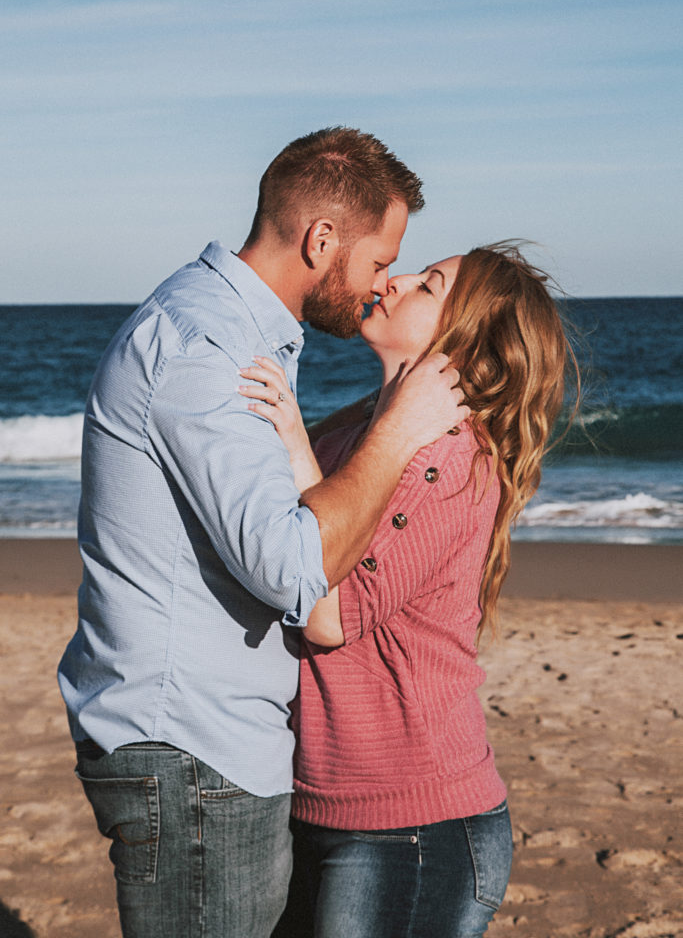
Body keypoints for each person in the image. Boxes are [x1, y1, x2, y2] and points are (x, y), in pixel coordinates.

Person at [57, 127, 470, 938]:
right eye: (381, 259)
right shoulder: (205, 345)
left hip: (202, 749)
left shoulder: (236, 334)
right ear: (323, 240)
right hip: (189, 749)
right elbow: (291, 570)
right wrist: (398, 429)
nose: (381, 282)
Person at [250, 242, 576, 938]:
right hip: (322, 805)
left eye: (427, 286)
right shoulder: (353, 437)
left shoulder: (452, 461)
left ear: (468, 348)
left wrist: (288, 438)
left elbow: (325, 614)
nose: (393, 282)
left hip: (413, 827)